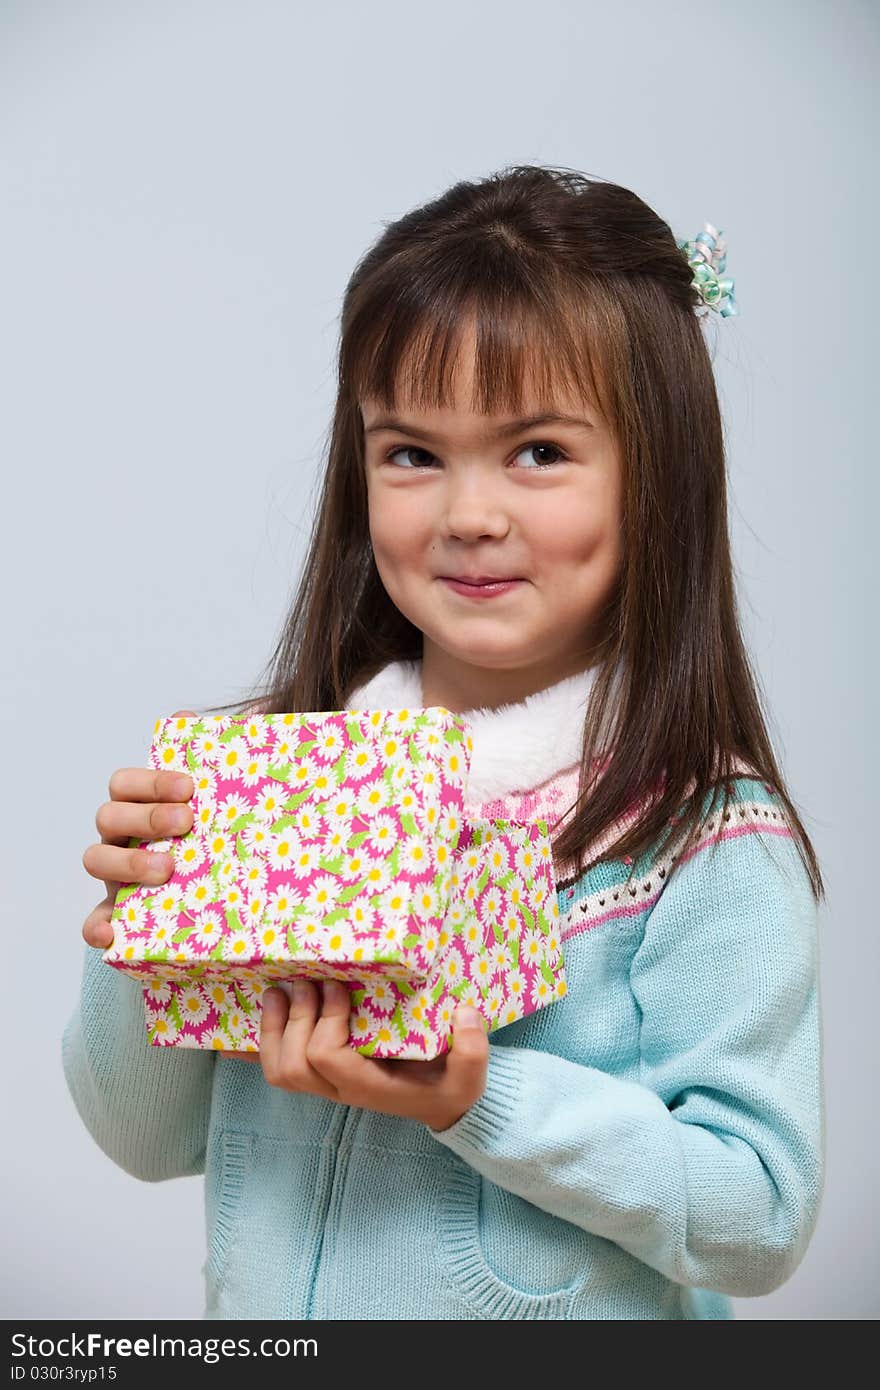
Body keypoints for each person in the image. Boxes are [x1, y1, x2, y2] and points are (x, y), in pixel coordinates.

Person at [63, 164, 825, 1321]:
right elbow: (144, 1141)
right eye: (412, 453)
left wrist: (479, 1099)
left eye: (537, 452)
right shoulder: (285, 786)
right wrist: (143, 937)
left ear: (655, 474)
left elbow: (759, 1212)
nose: (468, 513)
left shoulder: (698, 833)